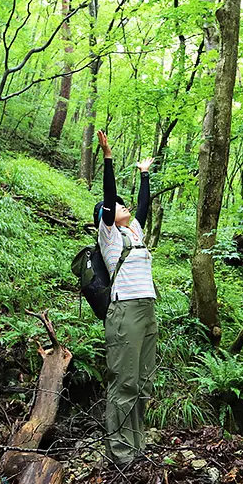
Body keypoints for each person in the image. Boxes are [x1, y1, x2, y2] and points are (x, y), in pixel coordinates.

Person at [93, 130, 157, 465]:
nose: (123, 205)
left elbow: (144, 205)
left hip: (147, 310)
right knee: (124, 383)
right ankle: (120, 455)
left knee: (143, 382)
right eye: (118, 205)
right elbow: (109, 195)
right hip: (125, 311)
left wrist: (144, 174)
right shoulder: (109, 235)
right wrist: (108, 157)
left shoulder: (134, 232)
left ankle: (138, 446)